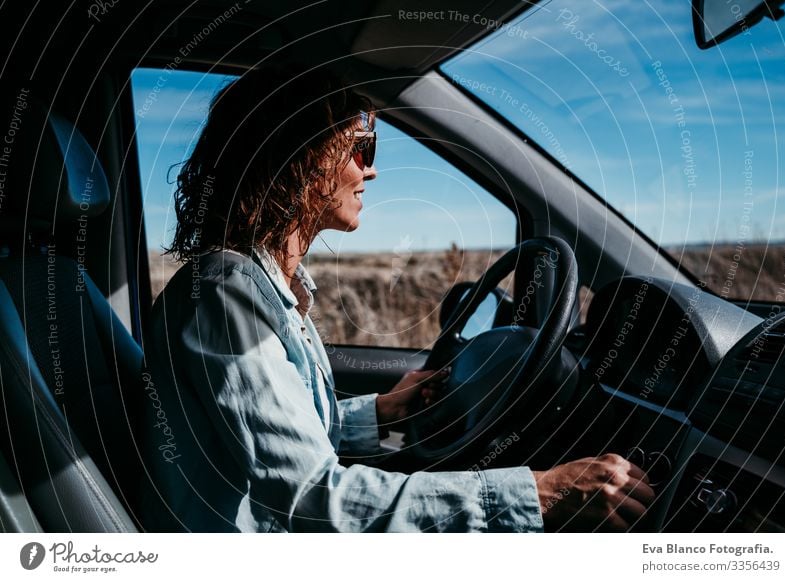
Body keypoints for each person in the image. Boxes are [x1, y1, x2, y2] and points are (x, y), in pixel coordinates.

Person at [138, 65, 654, 532]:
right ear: (302, 157)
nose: (371, 170)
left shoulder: (258, 286)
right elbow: (313, 496)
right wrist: (539, 494)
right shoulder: (228, 294)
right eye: (362, 148)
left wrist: (382, 412)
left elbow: (283, 442)